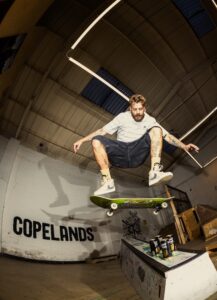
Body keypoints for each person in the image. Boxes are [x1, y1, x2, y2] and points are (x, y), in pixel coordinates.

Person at [73, 94, 199, 196]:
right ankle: (107, 182)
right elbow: (102, 131)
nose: (138, 112)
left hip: (137, 153)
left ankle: (154, 172)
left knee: (157, 129)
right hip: (120, 152)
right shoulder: (122, 117)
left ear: (144, 108)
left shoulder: (150, 120)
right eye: (135, 109)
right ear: (130, 108)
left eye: (140, 109)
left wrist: (184, 146)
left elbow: (167, 136)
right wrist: (82, 140)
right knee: (96, 140)